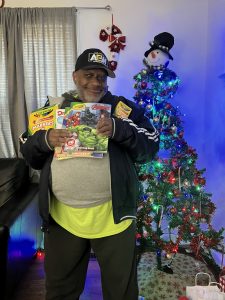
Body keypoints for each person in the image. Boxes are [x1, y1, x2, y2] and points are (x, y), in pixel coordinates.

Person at [20, 48, 159, 300]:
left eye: (101, 77)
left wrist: (119, 129)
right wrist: (46, 139)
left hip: (113, 217)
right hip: (63, 217)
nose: (96, 82)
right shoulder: (54, 108)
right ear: (75, 76)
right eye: (89, 75)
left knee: (122, 292)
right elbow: (27, 148)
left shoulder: (122, 109)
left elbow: (151, 146)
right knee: (60, 290)